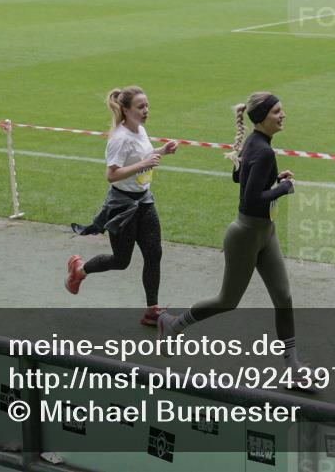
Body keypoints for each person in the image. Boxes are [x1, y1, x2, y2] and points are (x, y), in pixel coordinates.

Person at [157, 93, 306, 376]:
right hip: (246, 235)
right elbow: (251, 199)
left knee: (283, 297)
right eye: (277, 111)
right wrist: (282, 189)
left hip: (265, 232)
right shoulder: (262, 150)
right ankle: (172, 324)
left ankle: (292, 367)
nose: (283, 115)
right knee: (227, 301)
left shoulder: (256, 143)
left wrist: (274, 180)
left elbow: (240, 177)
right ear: (261, 117)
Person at [65, 86, 178, 326]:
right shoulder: (120, 138)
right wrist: (145, 164)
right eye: (140, 107)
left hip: (144, 200)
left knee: (154, 253)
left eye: (147, 106)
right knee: (121, 260)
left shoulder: (140, 130)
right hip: (122, 206)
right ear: (125, 110)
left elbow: (142, 158)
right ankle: (79, 270)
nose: (146, 110)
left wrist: (162, 151)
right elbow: (112, 175)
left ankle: (152, 311)